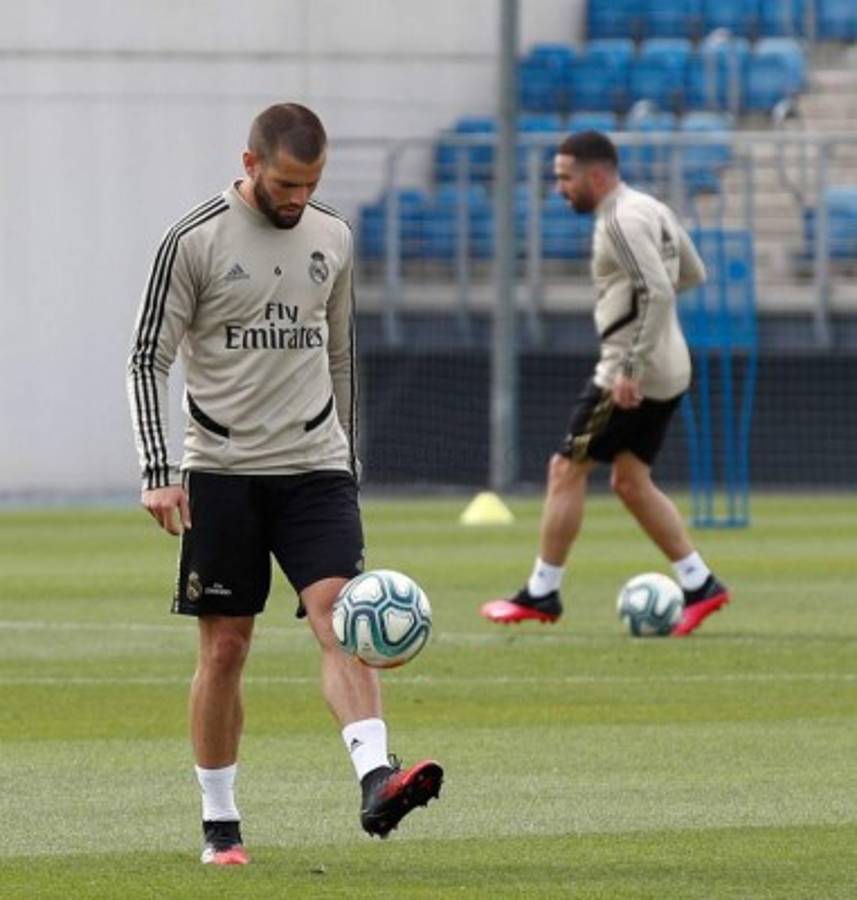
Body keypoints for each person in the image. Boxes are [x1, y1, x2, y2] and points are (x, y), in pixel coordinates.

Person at [127, 102, 442, 866]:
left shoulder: (332, 236)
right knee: (226, 649)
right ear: (250, 164)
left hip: (315, 469)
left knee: (340, 616)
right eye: (286, 182)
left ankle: (376, 778)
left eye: (311, 183)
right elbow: (147, 358)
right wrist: (158, 470)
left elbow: (341, 355)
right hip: (222, 473)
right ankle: (220, 822)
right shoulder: (193, 240)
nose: (298, 197)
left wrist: (348, 463)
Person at [480, 130, 729, 636]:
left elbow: (659, 289)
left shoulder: (618, 219)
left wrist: (631, 365)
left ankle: (542, 592)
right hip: (672, 366)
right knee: (630, 481)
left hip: (628, 372)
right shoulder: (650, 206)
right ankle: (700, 583)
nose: (559, 189)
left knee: (565, 469)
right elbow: (693, 271)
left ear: (596, 175)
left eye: (565, 178)